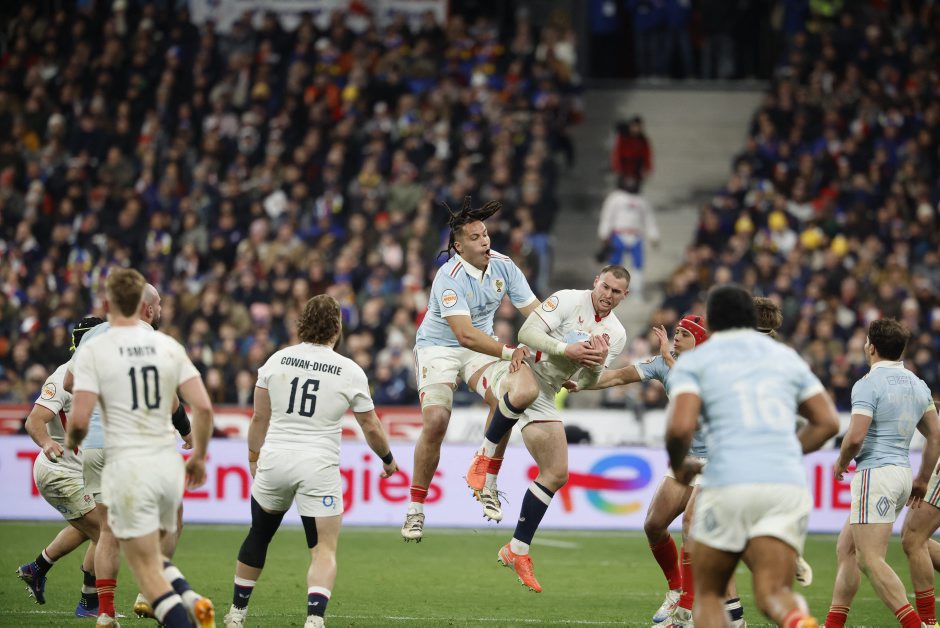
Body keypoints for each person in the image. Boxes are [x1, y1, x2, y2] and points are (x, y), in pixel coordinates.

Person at [666, 284, 839, 627]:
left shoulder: (698, 360)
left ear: (712, 323)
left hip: (729, 479)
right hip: (785, 484)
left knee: (710, 593)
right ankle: (796, 619)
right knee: (774, 593)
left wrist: (680, 465)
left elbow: (680, 428)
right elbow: (828, 422)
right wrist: (786, 451)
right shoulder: (785, 356)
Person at [222, 295, 399, 628]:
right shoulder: (349, 370)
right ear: (337, 327)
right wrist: (387, 459)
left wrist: (253, 456)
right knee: (323, 550)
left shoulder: (277, 360)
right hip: (317, 465)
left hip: (275, 459)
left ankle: (236, 613)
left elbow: (259, 417)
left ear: (302, 323)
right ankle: (314, 620)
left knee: (258, 536)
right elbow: (371, 426)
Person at [568, 314, 749, 626]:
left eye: (685, 334)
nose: (677, 337)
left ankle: (686, 613)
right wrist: (579, 383)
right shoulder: (664, 363)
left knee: (692, 527)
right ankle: (677, 590)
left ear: (701, 341)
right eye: (676, 332)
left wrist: (668, 358)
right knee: (654, 524)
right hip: (687, 460)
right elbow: (617, 377)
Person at [66, 268, 216, 628]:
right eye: (158, 304)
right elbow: (201, 406)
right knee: (166, 526)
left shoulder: (93, 342)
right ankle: (166, 598)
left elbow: (73, 390)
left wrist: (75, 438)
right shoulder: (164, 345)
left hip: (103, 448)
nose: (160, 309)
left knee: (109, 531)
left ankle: (106, 612)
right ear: (147, 308)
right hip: (150, 450)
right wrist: (196, 453)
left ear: (111, 304)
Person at [465, 266, 629, 592]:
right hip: (521, 368)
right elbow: (526, 333)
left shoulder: (616, 333)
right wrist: (566, 349)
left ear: (625, 296)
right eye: (605, 287)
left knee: (557, 473)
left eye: (616, 292)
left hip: (548, 392)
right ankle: (483, 457)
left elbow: (588, 381)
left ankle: (517, 550)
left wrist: (594, 365)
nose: (608, 295)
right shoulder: (567, 300)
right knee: (524, 391)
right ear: (596, 281)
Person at [403, 197, 542, 542]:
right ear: (459, 246)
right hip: (439, 347)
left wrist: (564, 346)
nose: (485, 242)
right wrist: (509, 350)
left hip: (480, 347)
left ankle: (487, 479)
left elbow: (537, 313)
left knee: (508, 398)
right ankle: (416, 508)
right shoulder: (448, 277)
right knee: (436, 421)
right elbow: (463, 335)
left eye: (486, 235)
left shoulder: (504, 266)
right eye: (476, 238)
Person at [825, 319, 940, 628]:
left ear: (871, 347)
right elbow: (935, 435)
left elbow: (855, 437)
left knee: (870, 559)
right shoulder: (917, 384)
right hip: (902, 474)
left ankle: (916, 625)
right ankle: (833, 624)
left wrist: (841, 462)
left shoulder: (868, 383)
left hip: (875, 474)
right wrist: (922, 478)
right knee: (847, 548)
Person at [17, 317, 106, 617]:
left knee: (89, 528)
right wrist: (46, 442)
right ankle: (89, 604)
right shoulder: (61, 379)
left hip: (81, 471)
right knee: (107, 532)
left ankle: (37, 568)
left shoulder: (98, 375)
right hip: (60, 472)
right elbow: (34, 420)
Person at [597, 176, 659, 295]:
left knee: (638, 265)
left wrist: (653, 235)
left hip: (636, 236)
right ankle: (609, 288)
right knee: (614, 265)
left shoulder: (641, 200)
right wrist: (604, 234)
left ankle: (636, 291)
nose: (631, 183)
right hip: (618, 235)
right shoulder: (615, 198)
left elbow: (648, 218)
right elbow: (607, 216)